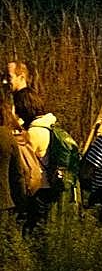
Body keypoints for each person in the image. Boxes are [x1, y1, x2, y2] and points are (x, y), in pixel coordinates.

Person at [12, 87, 58, 231]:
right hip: (50, 185)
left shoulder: (34, 132)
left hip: (38, 188)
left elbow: (22, 161)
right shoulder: (49, 125)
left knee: (34, 230)